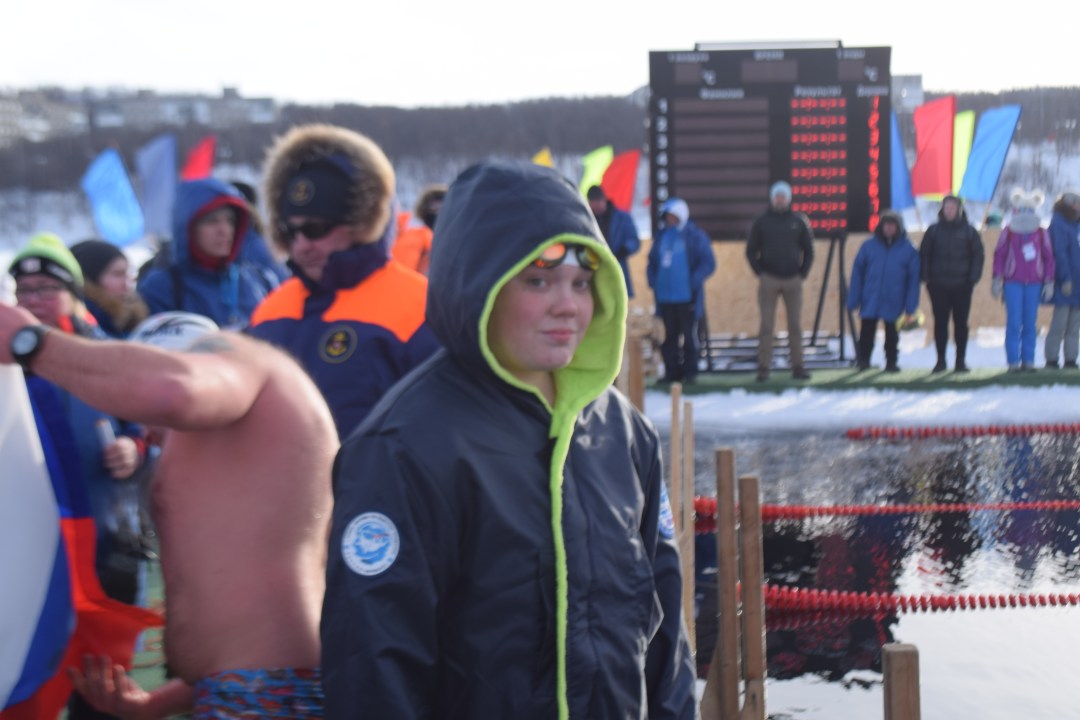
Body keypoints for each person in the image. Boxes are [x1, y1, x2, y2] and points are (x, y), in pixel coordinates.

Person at [322, 160, 697, 718]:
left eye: (581, 283)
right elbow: (374, 668)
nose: (567, 305)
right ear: (478, 287)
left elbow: (665, 636)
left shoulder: (622, 433)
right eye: (537, 281)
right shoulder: (404, 446)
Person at [0, 308, 338, 718]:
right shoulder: (246, 451)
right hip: (248, 688)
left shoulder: (244, 359)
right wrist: (157, 703)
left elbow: (171, 390)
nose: (147, 431)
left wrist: (31, 342)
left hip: (269, 690)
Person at [8, 233, 152, 719]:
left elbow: (145, 425)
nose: (32, 300)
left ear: (73, 293)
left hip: (108, 542)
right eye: (23, 290)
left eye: (45, 288)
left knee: (101, 687)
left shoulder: (107, 355)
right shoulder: (6, 368)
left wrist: (134, 449)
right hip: (33, 551)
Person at [249, 123, 439, 439]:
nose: (302, 245)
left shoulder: (421, 307)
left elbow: (445, 427)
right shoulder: (270, 309)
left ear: (359, 222)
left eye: (316, 229)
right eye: (291, 231)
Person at [137, 177, 280, 329]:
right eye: (212, 221)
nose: (224, 230)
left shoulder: (260, 280)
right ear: (188, 227)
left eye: (230, 221)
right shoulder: (162, 286)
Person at [746, 180, 815, 381]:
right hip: (769, 280)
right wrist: (761, 272)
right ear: (772, 199)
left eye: (783, 197)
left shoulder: (799, 221)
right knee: (767, 326)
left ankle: (798, 367)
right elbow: (751, 251)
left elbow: (809, 250)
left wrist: (802, 273)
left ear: (788, 199)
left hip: (793, 280)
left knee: (795, 326)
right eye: (777, 196)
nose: (780, 200)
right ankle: (764, 368)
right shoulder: (762, 222)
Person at [646, 197, 716, 384]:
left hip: (687, 297)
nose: (670, 220)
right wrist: (653, 281)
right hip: (665, 297)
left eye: (673, 216)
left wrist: (694, 281)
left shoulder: (694, 236)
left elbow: (708, 262)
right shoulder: (661, 237)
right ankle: (672, 372)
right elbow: (652, 262)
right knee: (670, 336)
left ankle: (690, 372)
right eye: (667, 216)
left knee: (689, 336)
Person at [847, 210, 921, 372]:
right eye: (886, 225)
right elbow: (857, 273)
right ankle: (863, 360)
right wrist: (853, 299)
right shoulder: (868, 247)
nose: (889, 228)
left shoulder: (909, 249)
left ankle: (891, 362)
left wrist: (911, 306)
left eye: (893, 225)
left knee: (892, 334)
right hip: (871, 297)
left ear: (899, 227)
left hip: (894, 298)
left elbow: (913, 280)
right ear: (881, 226)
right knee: (866, 332)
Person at [919, 194, 985, 373]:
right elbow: (924, 254)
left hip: (962, 286)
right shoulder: (933, 231)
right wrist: (926, 278)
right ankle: (940, 361)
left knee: (961, 324)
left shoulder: (970, 231)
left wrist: (973, 279)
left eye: (952, 207)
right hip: (938, 286)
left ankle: (960, 361)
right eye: (946, 207)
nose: (949, 210)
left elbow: (978, 255)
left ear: (959, 209)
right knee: (940, 323)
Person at [992, 189, 1056, 372]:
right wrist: (997, 278)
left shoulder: (1041, 232)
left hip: (1034, 283)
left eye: (1030, 209)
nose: (1026, 213)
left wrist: (1049, 280)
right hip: (1013, 282)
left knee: (1030, 323)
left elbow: (1048, 257)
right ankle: (1013, 361)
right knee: (1013, 322)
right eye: (1023, 209)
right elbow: (999, 255)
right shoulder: (1008, 231)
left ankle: (1028, 360)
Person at [70, 239, 149, 339]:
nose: (127, 285)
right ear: (90, 282)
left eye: (128, 274)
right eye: (117, 274)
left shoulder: (130, 322)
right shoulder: (81, 326)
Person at [1043, 190, 1080, 369]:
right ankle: (1051, 359)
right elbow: (1059, 253)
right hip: (1065, 282)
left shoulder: (1077, 223)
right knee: (1059, 322)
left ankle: (1071, 359)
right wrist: (1065, 278)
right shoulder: (1058, 223)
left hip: (1078, 282)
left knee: (1074, 325)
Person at [587, 184, 641, 296]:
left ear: (604, 200)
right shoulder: (586, 220)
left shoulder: (622, 218)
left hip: (617, 266)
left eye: (598, 201)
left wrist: (625, 249)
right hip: (593, 268)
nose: (596, 205)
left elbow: (634, 241)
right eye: (593, 202)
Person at [391, 183, 448, 275]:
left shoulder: (462, 238)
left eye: (443, 208)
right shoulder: (413, 239)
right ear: (425, 211)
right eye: (434, 209)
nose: (438, 214)